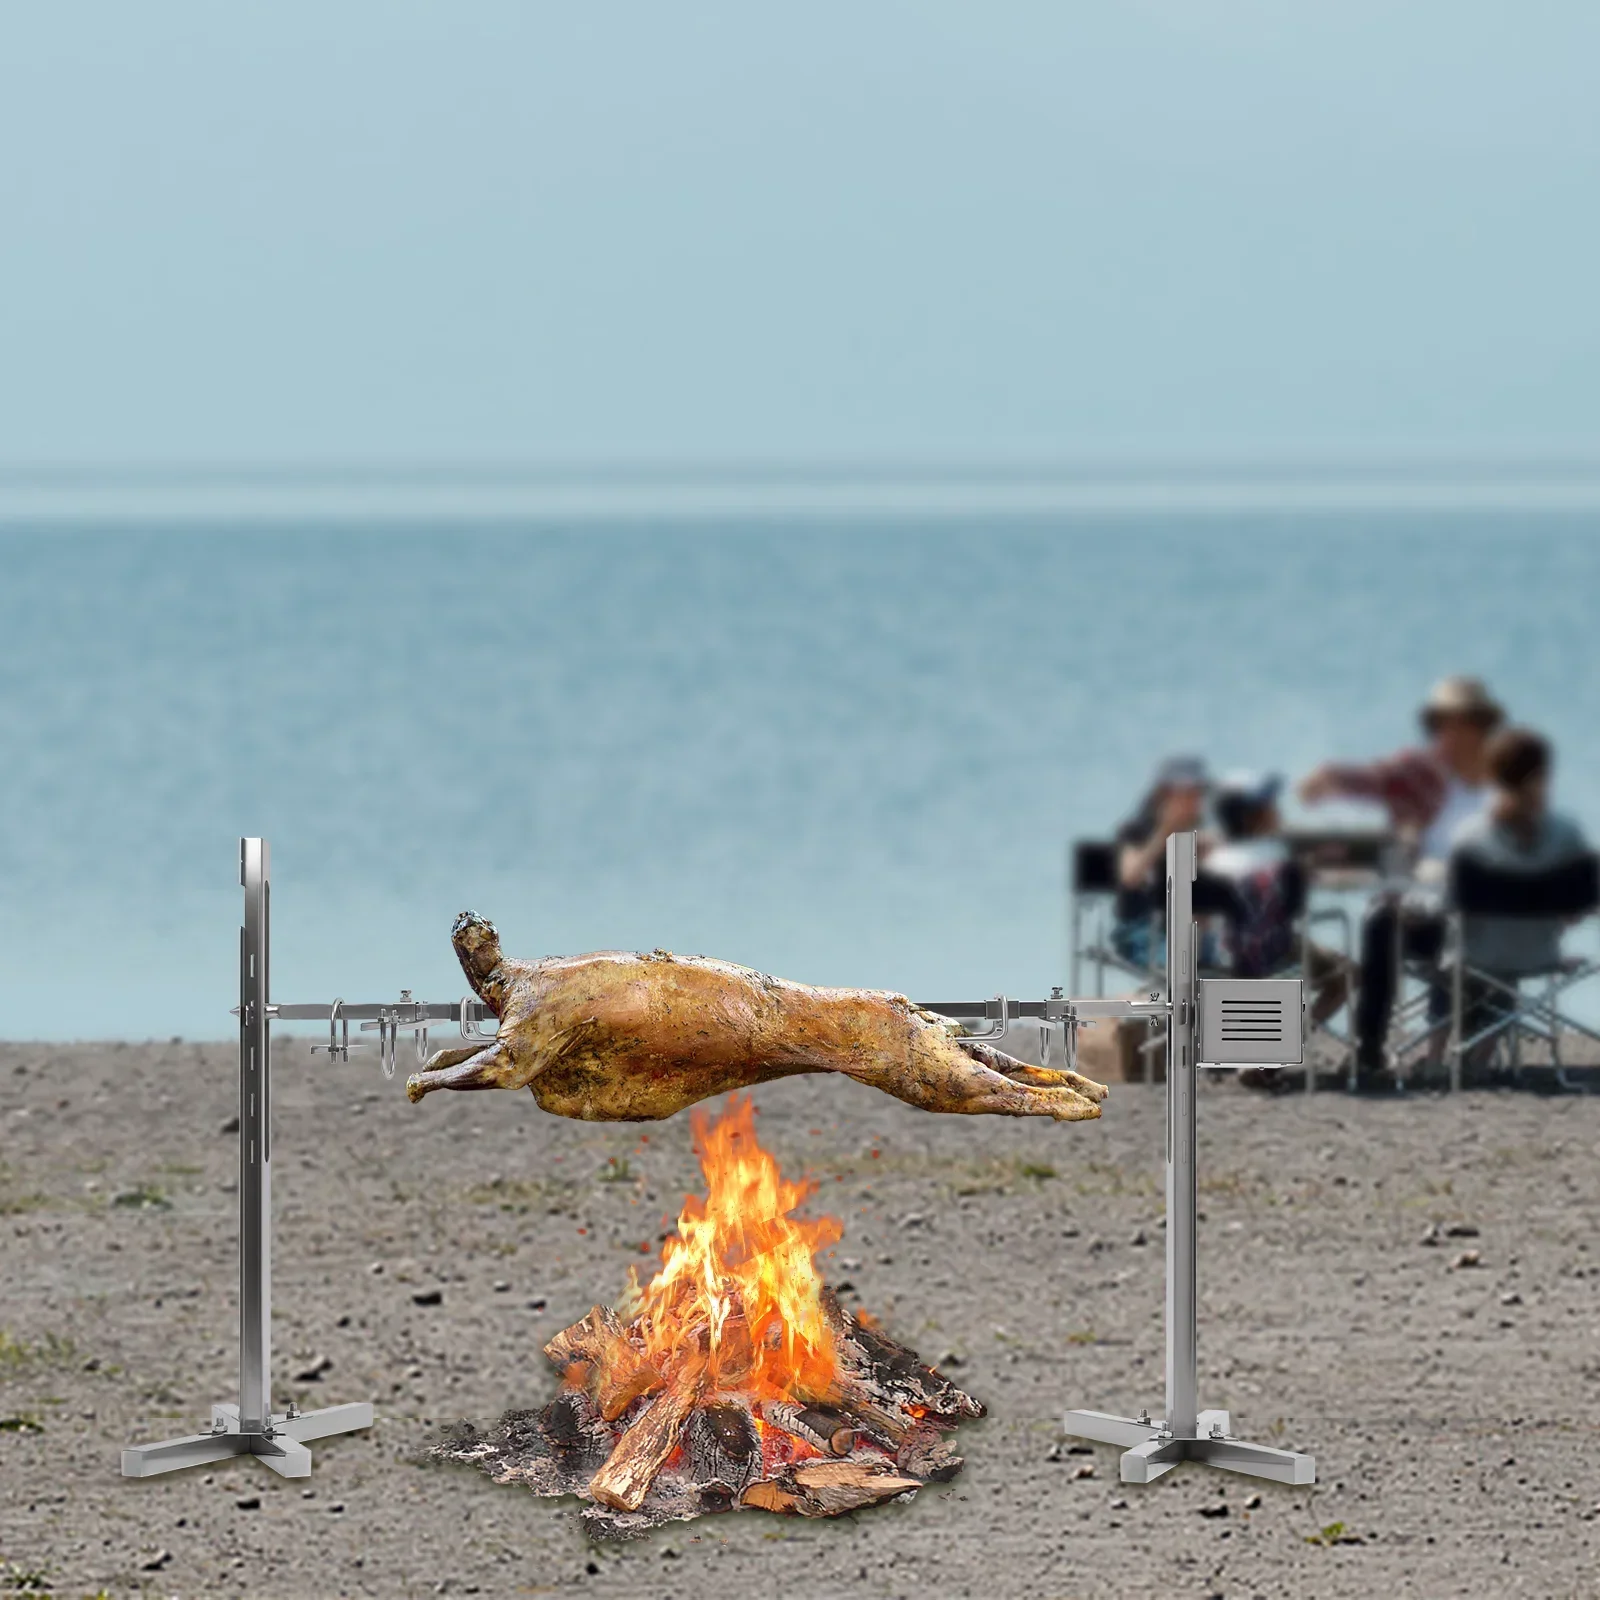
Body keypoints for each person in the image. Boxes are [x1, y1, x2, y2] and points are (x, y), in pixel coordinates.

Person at [1298, 676, 1506, 1090]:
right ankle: (1369, 1049)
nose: (1452, 733)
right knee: (1380, 921)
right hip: (1419, 914)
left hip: (1476, 922)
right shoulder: (1419, 771)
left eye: (1464, 723)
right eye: (1444, 723)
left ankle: (1256, 1050)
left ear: (1481, 727)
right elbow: (1375, 779)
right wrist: (1331, 778)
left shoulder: (1502, 789)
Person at [1446, 728, 1590, 1076]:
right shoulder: (1566, 834)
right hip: (1540, 954)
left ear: (1492, 775)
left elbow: (1456, 907)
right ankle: (1479, 1053)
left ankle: (1286, 1059)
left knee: (1464, 950)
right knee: (1502, 958)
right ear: (1545, 774)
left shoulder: (1470, 835)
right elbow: (1576, 912)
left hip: (1477, 955)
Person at [1111, 755, 1209, 971]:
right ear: (1164, 794)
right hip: (1141, 931)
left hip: (1189, 930)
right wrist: (1166, 830)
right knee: (1186, 963)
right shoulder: (1135, 830)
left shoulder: (1200, 835)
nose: (1194, 801)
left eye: (1198, 794)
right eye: (1187, 794)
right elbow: (1131, 877)